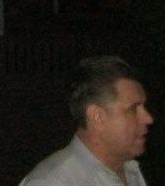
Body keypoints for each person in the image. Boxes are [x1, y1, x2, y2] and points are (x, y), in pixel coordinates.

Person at [19, 55, 153, 186]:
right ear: (97, 117)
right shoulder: (53, 182)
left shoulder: (130, 170)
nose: (148, 119)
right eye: (133, 109)